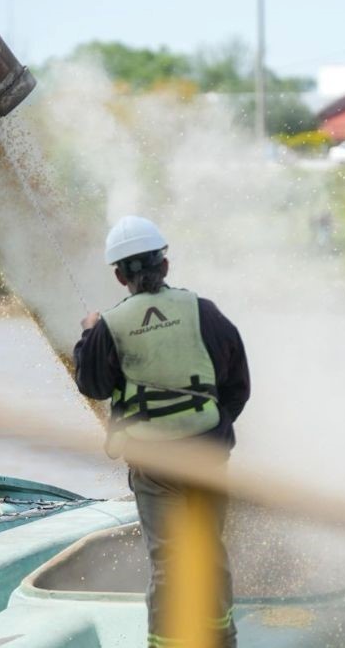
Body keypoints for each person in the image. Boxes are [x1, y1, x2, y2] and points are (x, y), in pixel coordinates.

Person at [73, 216, 250, 648]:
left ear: (119, 276)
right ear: (165, 265)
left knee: (168, 561)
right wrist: (208, 426)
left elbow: (93, 385)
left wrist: (87, 336)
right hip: (207, 453)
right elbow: (237, 385)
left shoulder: (110, 326)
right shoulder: (203, 311)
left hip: (154, 463)